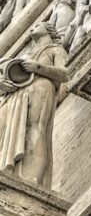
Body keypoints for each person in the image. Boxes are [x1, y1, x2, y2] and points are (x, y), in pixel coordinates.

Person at [0, 22, 68, 189]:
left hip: (40, 87)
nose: (31, 27)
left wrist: (37, 67)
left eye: (38, 25)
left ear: (49, 29)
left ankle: (32, 180)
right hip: (15, 95)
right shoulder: (26, 55)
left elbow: (65, 74)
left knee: (35, 128)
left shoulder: (55, 50)